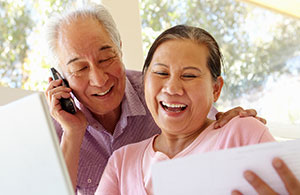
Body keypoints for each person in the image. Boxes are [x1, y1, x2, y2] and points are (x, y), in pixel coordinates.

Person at [44, 3, 266, 194]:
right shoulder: (58, 128)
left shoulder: (153, 90)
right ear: (60, 76)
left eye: (106, 58)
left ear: (120, 49)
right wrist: (72, 134)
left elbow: (202, 121)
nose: (99, 79)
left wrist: (233, 123)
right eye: (80, 68)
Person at [96, 25, 300, 194]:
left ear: (216, 89)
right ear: (144, 80)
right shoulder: (122, 162)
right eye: (161, 72)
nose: (172, 88)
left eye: (189, 76)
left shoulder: (242, 134)